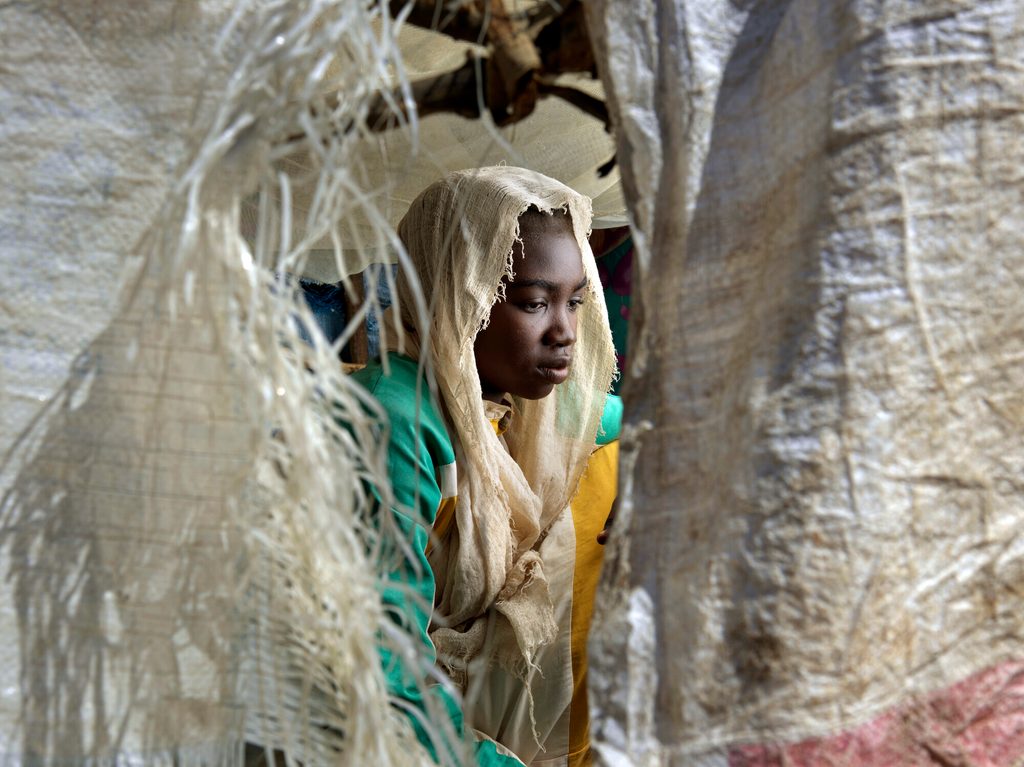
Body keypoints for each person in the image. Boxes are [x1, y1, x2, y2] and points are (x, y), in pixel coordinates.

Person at [353, 166, 619, 766]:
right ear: (455, 294)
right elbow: (381, 657)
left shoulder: (524, 407)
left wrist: (664, 471)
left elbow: (652, 419)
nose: (565, 333)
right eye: (532, 302)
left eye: (575, 302)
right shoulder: (396, 419)